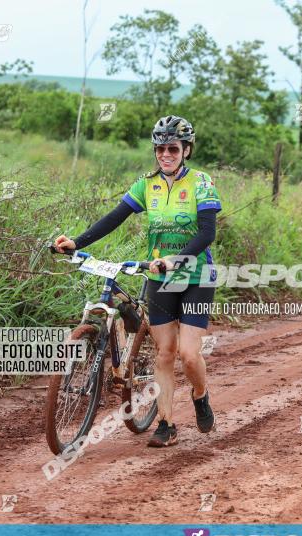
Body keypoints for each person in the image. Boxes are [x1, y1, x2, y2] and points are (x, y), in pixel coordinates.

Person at [53, 115, 220, 447]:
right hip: (158, 276)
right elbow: (115, 217)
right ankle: (166, 424)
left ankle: (200, 395)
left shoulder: (201, 183)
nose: (165, 155)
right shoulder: (148, 184)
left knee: (188, 354)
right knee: (164, 354)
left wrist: (175, 259)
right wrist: (77, 242)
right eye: (160, 149)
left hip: (196, 275)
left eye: (172, 149)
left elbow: (207, 233)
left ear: (186, 150)